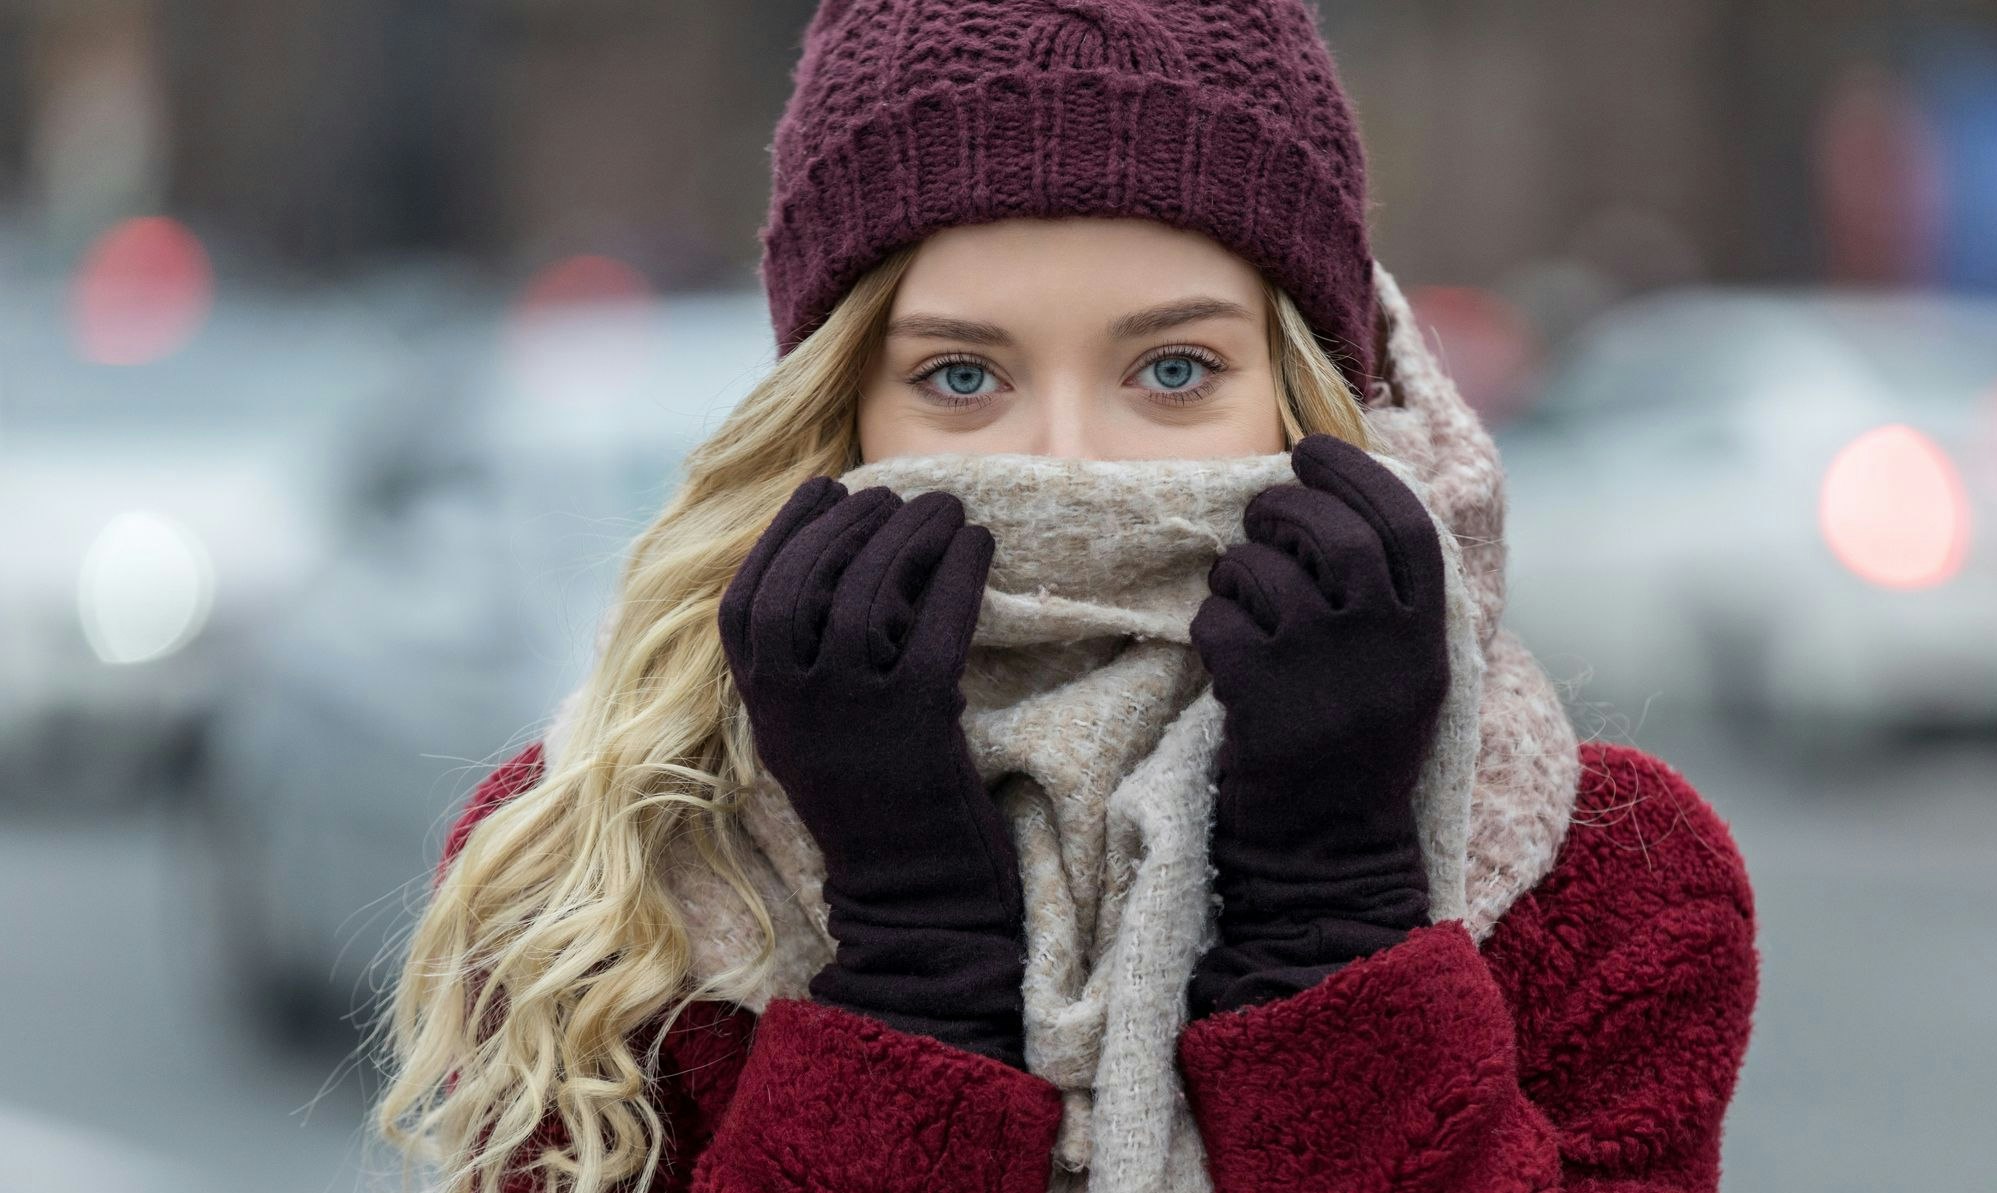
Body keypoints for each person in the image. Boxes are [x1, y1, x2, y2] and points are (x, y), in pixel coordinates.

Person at [371, 3, 1760, 1192]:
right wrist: (908, 964)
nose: (1068, 461)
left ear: (1309, 390)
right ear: (837, 406)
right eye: (961, 378)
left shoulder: (1610, 880)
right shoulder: (586, 879)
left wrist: (1337, 926)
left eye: (1171, 371)